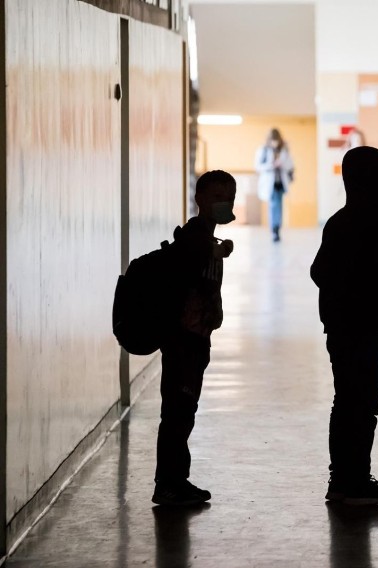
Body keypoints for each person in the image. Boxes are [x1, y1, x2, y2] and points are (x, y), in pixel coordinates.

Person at [310, 146, 378, 506]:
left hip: (352, 323)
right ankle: (351, 483)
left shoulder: (353, 218)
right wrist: (364, 295)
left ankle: (348, 480)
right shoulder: (363, 220)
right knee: (358, 402)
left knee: (352, 400)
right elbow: (321, 272)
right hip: (355, 325)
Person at [153, 169, 236, 506]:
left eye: (228, 197)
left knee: (183, 411)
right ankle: (169, 483)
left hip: (196, 339)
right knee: (177, 412)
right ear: (200, 199)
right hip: (183, 340)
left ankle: (176, 480)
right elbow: (193, 265)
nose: (224, 203)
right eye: (217, 197)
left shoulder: (207, 238)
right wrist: (215, 252)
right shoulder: (194, 238)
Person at [255, 128, 295, 242]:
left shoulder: (284, 150)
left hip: (280, 182)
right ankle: (274, 229)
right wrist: (272, 165)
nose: (275, 142)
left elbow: (290, 165)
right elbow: (258, 166)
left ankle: (277, 228)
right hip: (269, 183)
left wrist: (281, 164)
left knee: (279, 206)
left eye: (276, 140)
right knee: (273, 206)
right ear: (269, 140)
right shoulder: (263, 150)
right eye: (273, 140)